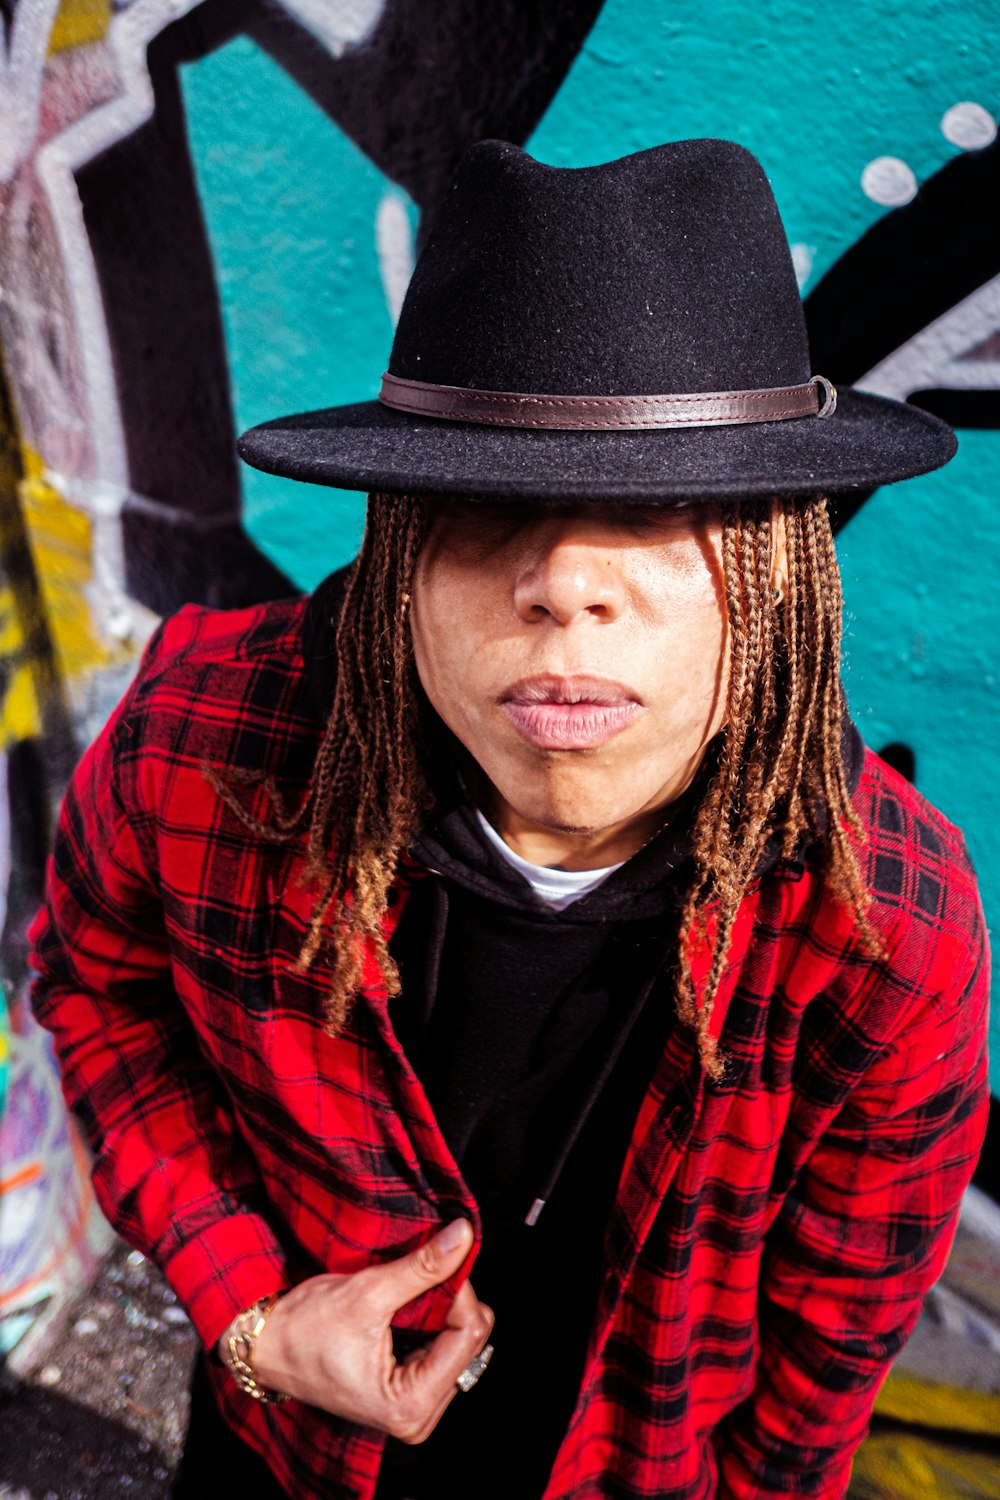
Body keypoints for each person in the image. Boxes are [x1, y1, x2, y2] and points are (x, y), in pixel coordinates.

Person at [30, 138, 989, 1500]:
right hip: (282, 1449)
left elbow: (819, 1380)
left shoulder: (887, 925)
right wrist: (250, 1314)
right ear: (401, 547)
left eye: (668, 509)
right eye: (488, 504)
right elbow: (97, 992)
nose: (561, 581)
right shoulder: (206, 742)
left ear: (776, 566)